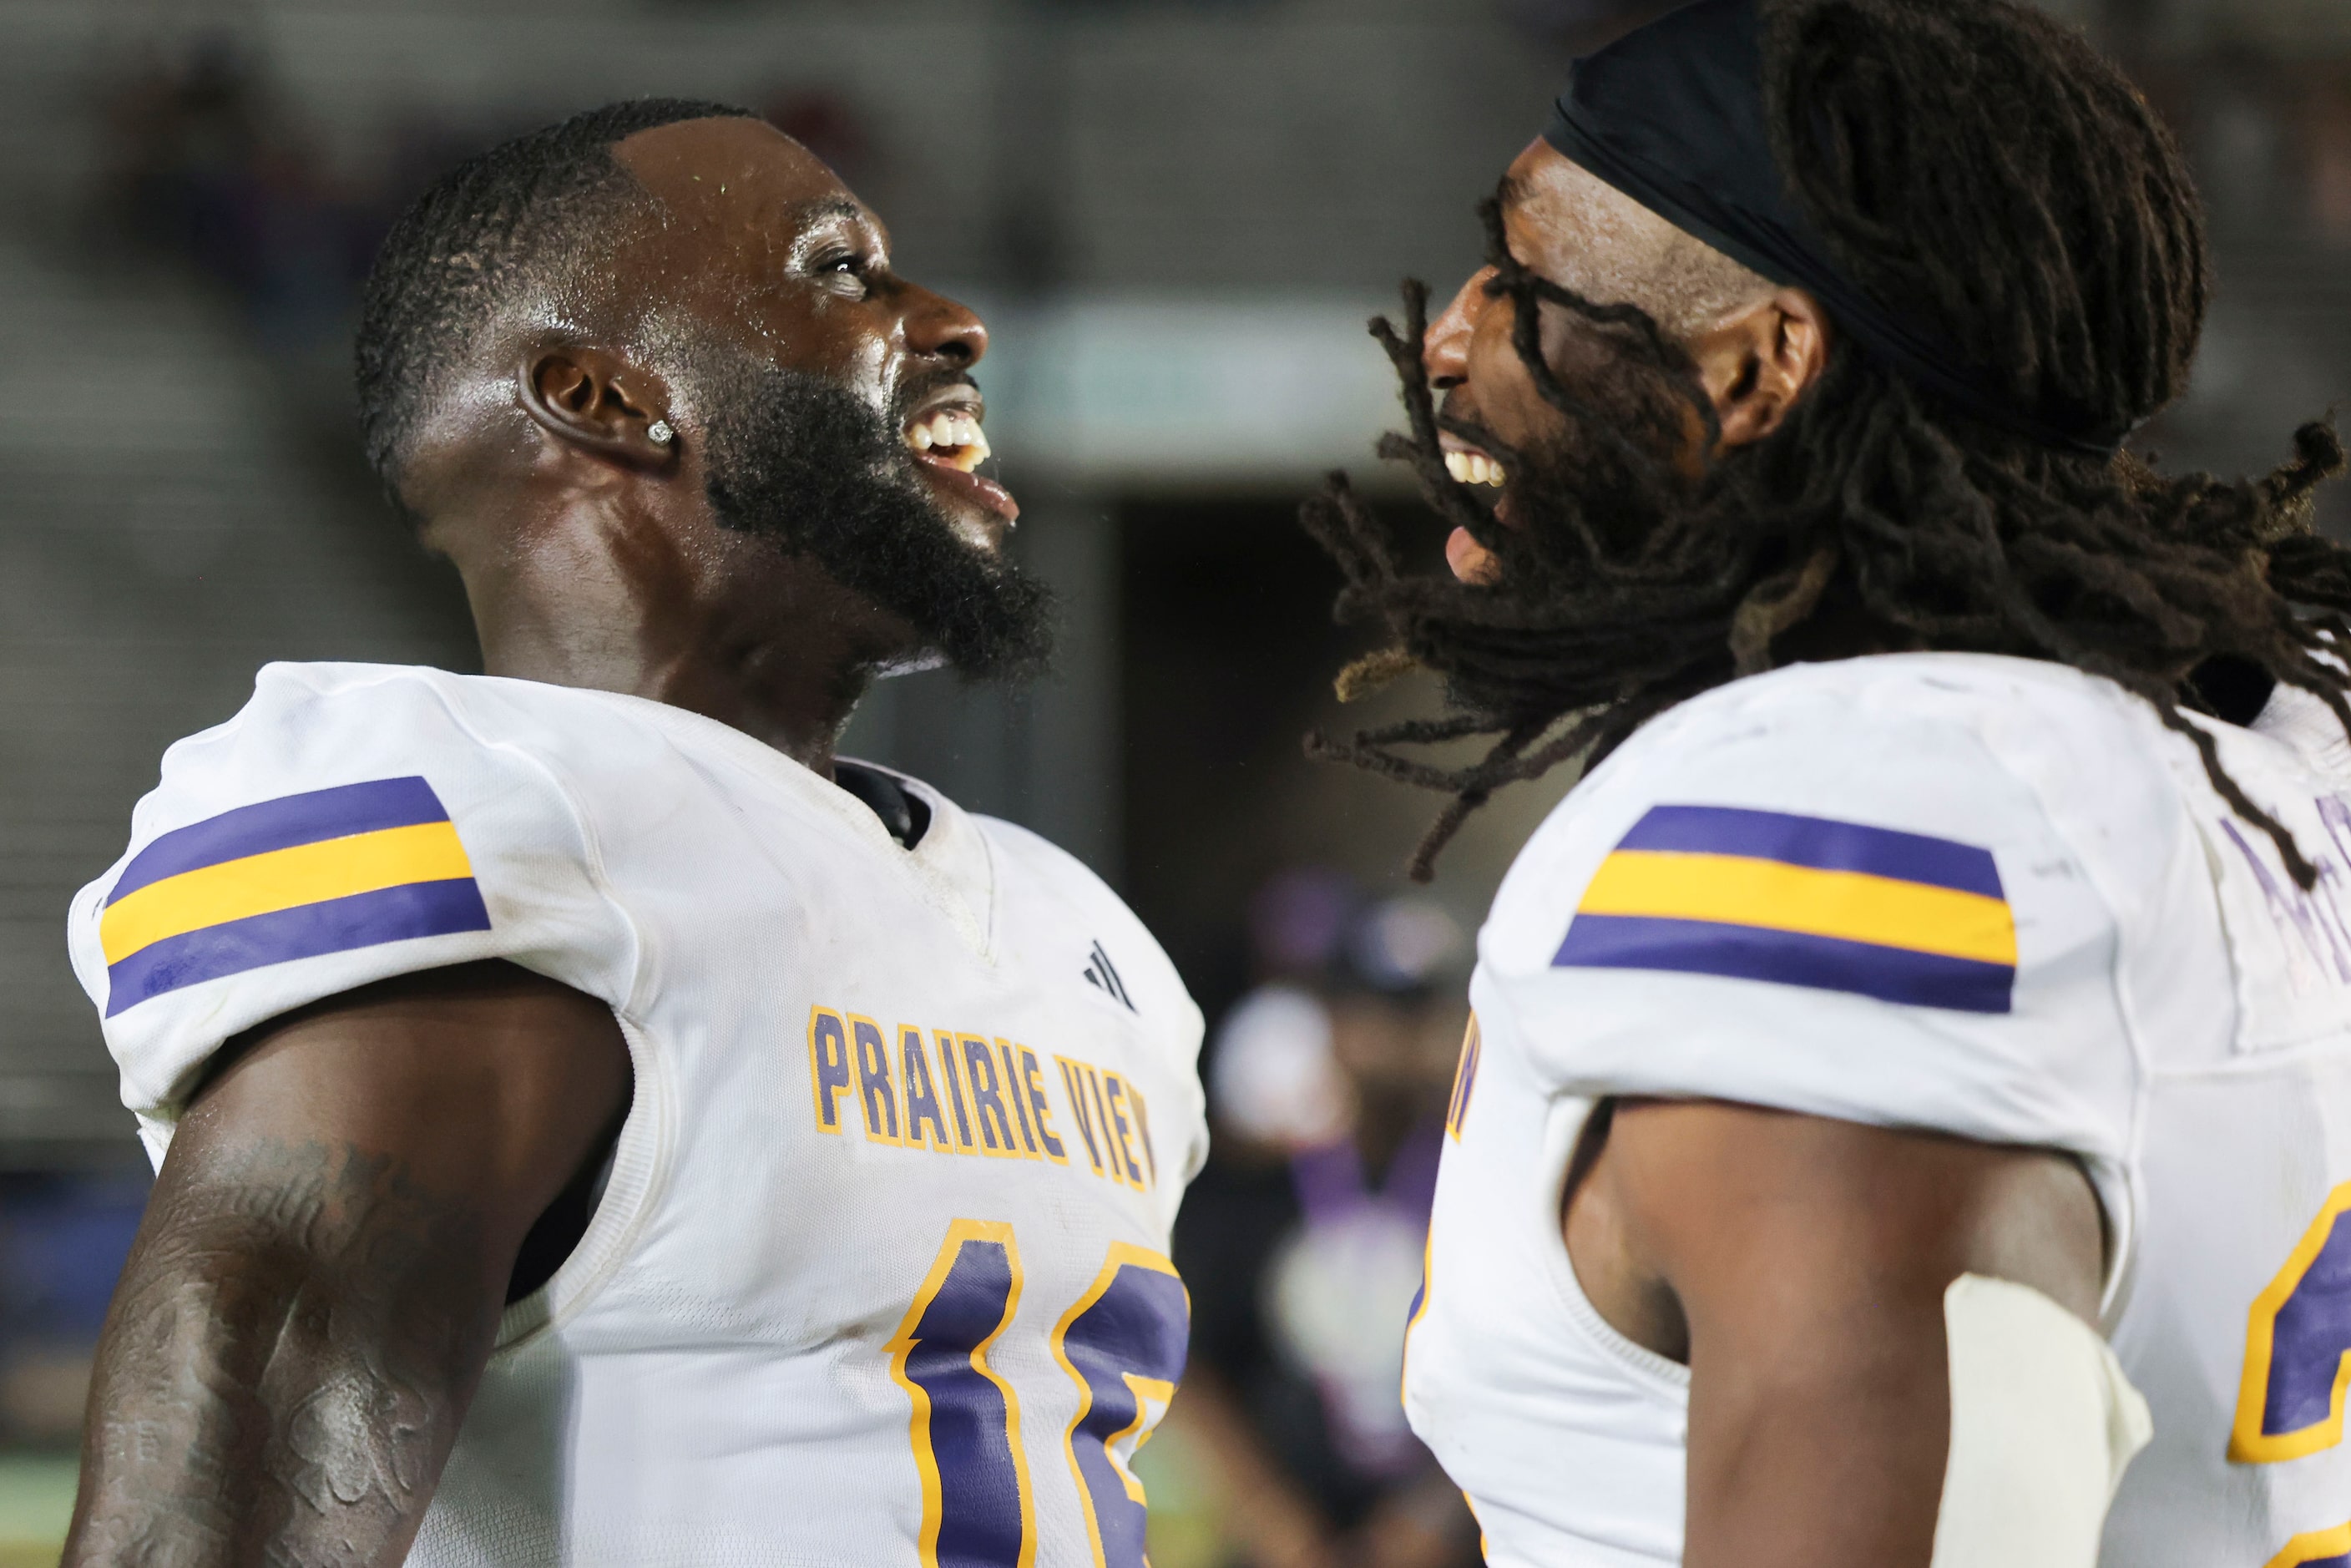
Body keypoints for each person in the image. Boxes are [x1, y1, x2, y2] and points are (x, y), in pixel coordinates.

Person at [60, 100, 1206, 1568]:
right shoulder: (513, 843)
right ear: (604, 399)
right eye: (839, 273)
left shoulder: (1081, 939)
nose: (956, 321)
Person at [1297, 0, 2351, 1564]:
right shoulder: (2268, 754)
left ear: (1760, 365)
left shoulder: (1851, 812)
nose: (1449, 336)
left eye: (1522, 278)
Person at [1170, 890, 1479, 1568]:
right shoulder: (1261, 1188)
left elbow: (1519, 1369)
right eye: (1377, 1012)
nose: (1403, 1042)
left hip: (1452, 1542)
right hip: (1288, 1541)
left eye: (1426, 1011)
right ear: (1333, 1022)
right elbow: (1196, 1362)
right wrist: (1279, 1527)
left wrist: (1430, 1521)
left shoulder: (1486, 1189)